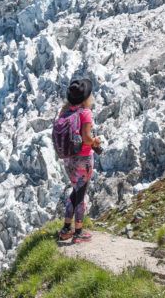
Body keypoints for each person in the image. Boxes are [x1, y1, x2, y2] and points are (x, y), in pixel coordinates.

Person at [56, 77, 102, 243]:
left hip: (68, 159)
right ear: (86, 97)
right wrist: (96, 142)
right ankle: (79, 232)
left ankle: (66, 229)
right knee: (81, 195)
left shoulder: (64, 112)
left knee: (75, 191)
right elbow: (87, 138)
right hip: (83, 159)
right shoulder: (85, 113)